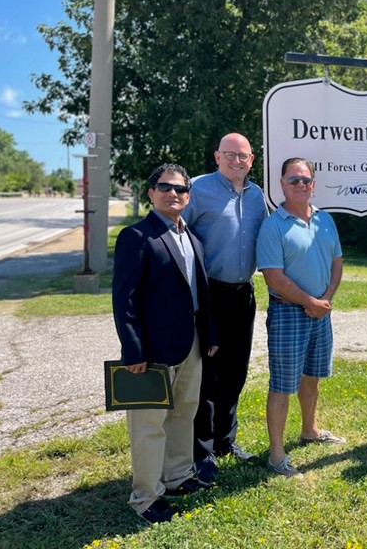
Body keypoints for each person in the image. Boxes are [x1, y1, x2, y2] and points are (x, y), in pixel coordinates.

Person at [112, 163, 217, 524]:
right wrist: (133, 350)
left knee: (184, 413)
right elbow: (124, 300)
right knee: (149, 424)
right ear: (151, 192)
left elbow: (201, 293)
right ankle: (146, 496)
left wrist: (211, 336)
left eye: (181, 189)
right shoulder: (137, 236)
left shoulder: (193, 239)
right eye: (165, 187)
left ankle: (177, 476)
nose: (174, 194)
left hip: (192, 343)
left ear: (189, 196)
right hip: (152, 351)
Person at [181, 132, 269, 484]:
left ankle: (224, 442)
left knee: (235, 371)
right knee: (207, 376)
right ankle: (199, 453)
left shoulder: (257, 195)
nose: (236, 161)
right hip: (208, 295)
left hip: (242, 294)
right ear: (217, 156)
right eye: (229, 154)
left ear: (251, 160)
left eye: (243, 156)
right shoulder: (197, 189)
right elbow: (175, 233)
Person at [256, 157, 344, 479]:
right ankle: (277, 455)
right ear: (282, 184)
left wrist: (325, 301)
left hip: (321, 313)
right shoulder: (273, 225)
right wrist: (310, 302)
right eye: (294, 180)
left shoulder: (325, 220)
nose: (301, 185)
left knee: (312, 377)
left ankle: (310, 430)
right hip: (288, 314)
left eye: (306, 180)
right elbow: (273, 278)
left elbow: (337, 262)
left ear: (313, 185)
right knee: (282, 385)